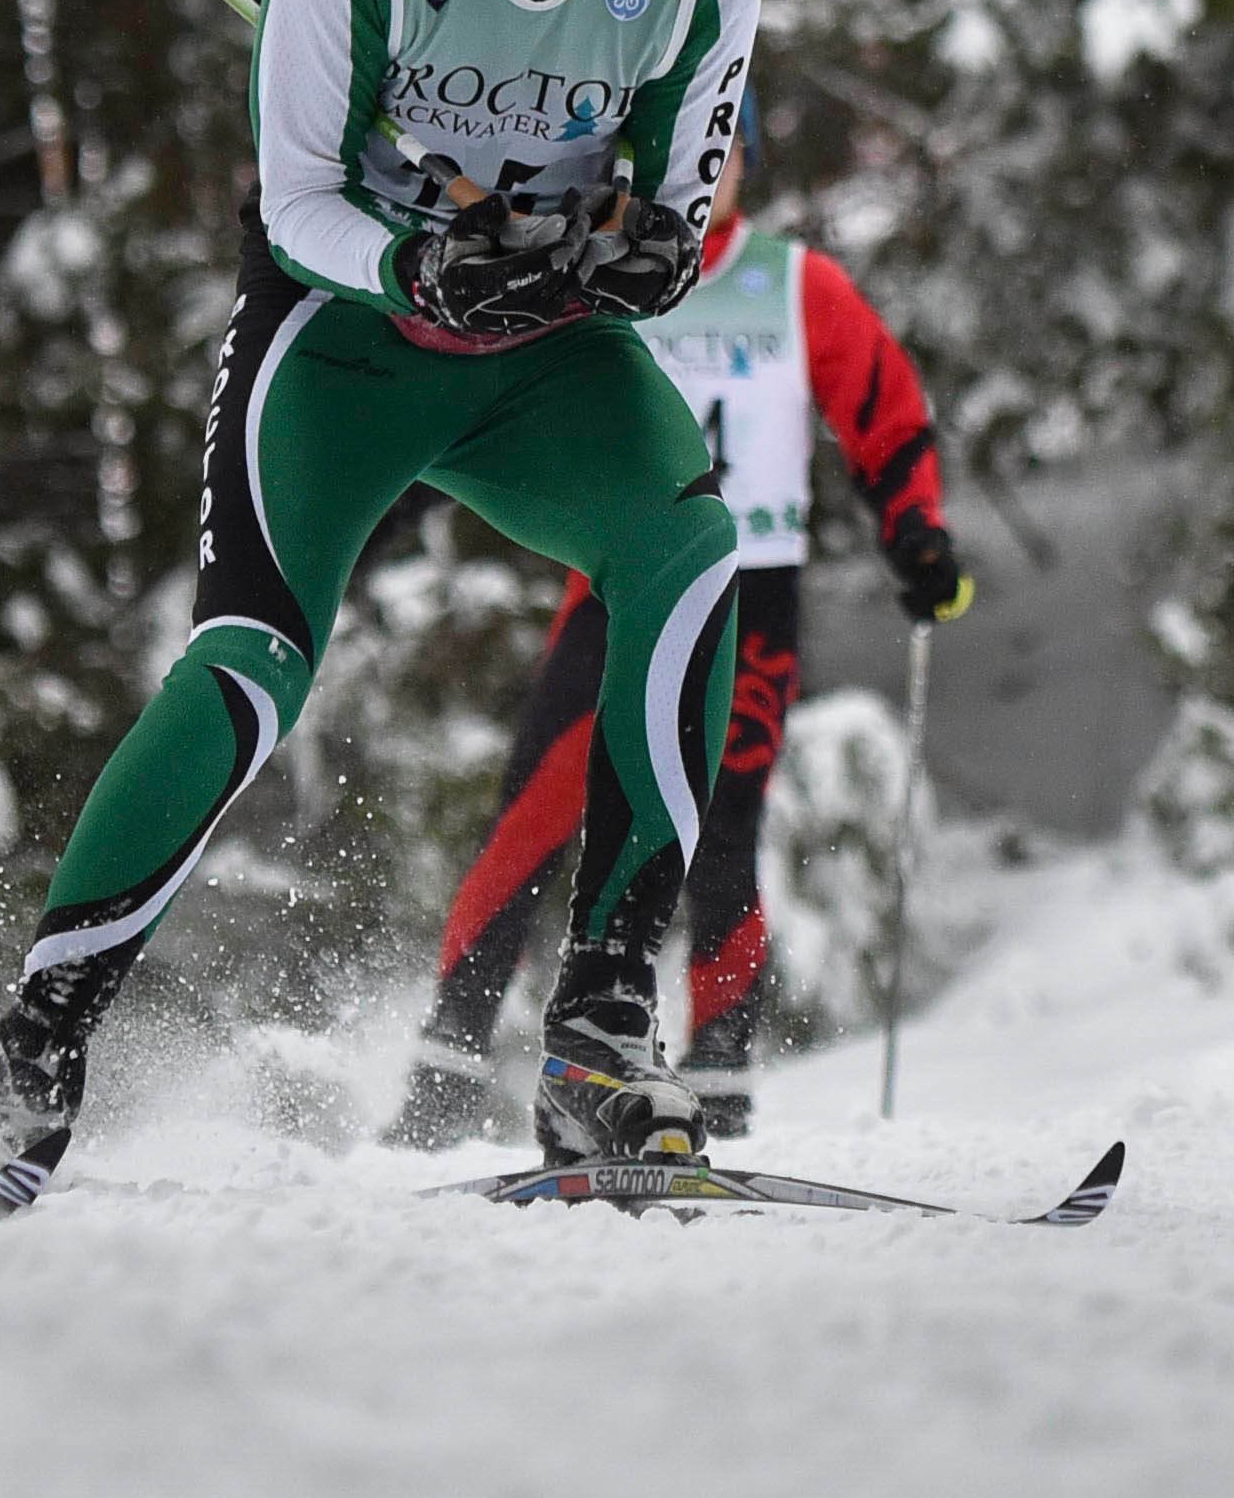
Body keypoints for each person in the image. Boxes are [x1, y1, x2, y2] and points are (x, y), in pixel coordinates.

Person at [0, 0, 761, 1212]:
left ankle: (598, 1033)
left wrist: (654, 246)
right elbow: (296, 198)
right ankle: (35, 1045)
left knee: (688, 551)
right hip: (347, 337)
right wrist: (418, 257)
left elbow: (683, 200)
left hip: (544, 362)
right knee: (249, 658)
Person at [384, 189, 969, 1150]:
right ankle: (444, 1074)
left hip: (752, 589)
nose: (710, 165)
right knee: (533, 815)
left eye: (729, 144)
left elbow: (885, 408)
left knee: (720, 824)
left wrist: (915, 533)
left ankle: (718, 1088)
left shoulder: (793, 283)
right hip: (622, 580)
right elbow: (500, 375)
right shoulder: (607, 262)